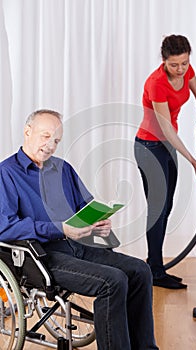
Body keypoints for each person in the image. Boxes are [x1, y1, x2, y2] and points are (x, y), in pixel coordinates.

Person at [0, 109, 159, 350]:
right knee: (112, 281)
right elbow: (6, 227)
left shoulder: (63, 169)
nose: (50, 146)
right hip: (42, 256)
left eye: (56, 141)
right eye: (45, 136)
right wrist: (59, 229)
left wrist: (99, 222)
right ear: (27, 131)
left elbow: (86, 206)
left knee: (140, 270)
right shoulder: (6, 173)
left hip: (78, 245)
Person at [134, 34, 196, 290]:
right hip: (149, 146)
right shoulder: (156, 82)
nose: (180, 69)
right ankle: (155, 271)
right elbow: (166, 129)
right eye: (174, 65)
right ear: (164, 60)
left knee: (165, 207)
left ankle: (153, 265)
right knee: (158, 210)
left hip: (167, 147)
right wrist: (193, 161)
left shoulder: (187, 71)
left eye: (184, 63)